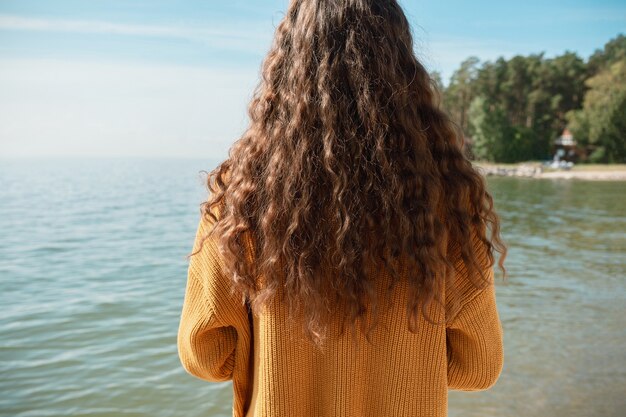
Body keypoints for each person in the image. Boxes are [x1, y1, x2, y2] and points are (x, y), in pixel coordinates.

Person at [177, 1, 508, 416]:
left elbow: (206, 354)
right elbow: (477, 366)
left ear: (287, 62)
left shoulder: (241, 197)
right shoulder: (447, 200)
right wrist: (404, 363)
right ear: (401, 65)